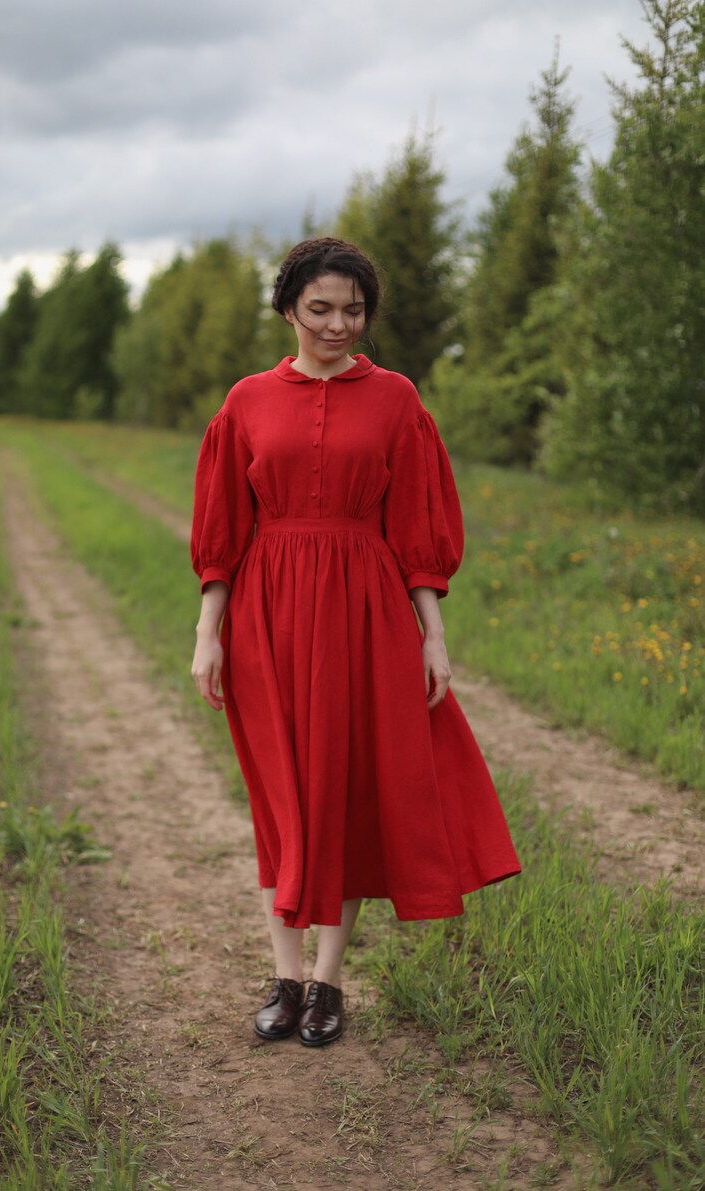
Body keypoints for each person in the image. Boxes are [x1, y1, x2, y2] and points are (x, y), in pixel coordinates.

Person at [190, 237, 520, 1048]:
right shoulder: (245, 402)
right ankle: (283, 974)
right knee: (285, 791)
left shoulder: (399, 400)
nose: (339, 325)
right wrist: (209, 631)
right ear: (289, 309)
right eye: (321, 309)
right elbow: (223, 532)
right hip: (266, 613)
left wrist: (433, 635)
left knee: (343, 789)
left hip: (365, 611)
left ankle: (327, 984)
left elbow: (417, 526)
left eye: (354, 310)